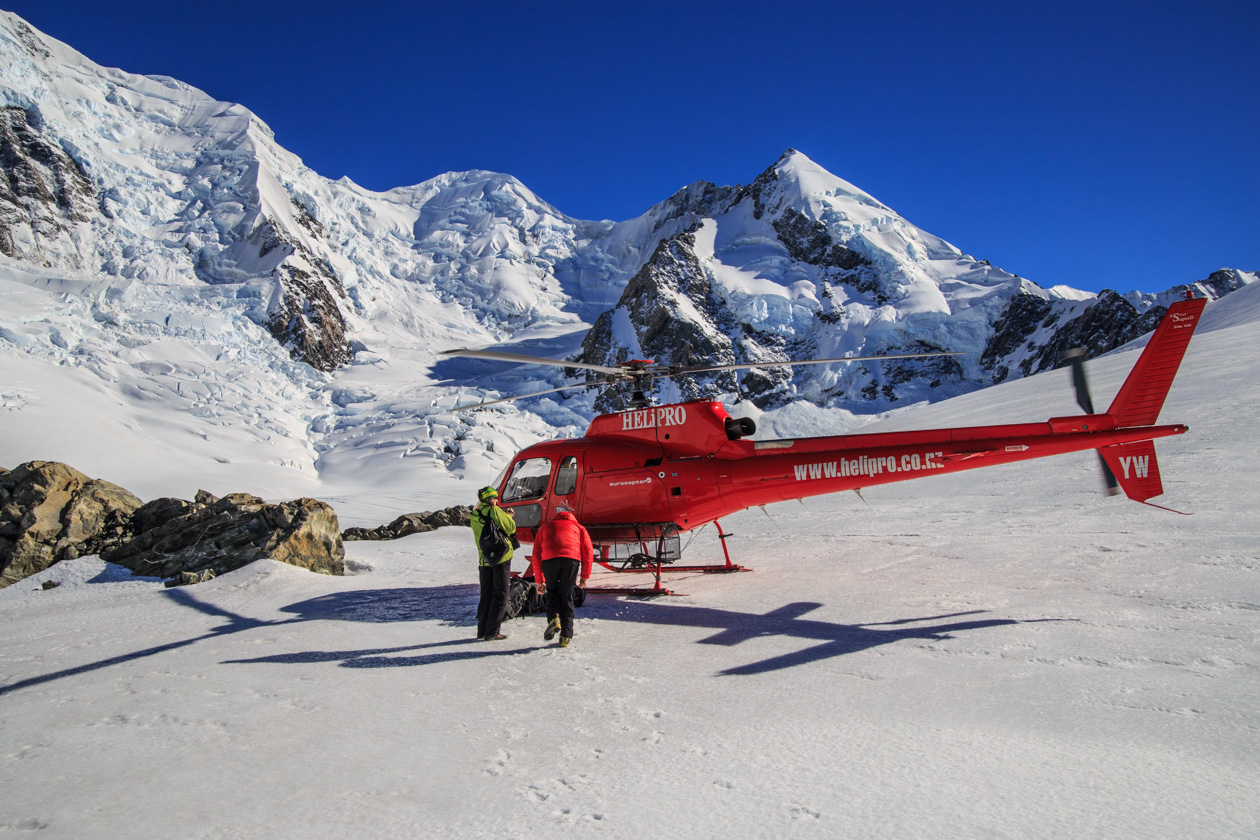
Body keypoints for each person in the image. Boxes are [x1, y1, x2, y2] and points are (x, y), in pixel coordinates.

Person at [529, 505, 593, 648]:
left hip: (549, 560)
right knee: (566, 594)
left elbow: (536, 554)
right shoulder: (579, 527)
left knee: (552, 591)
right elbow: (588, 550)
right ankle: (566, 635)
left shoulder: (545, 527)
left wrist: (539, 581)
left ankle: (553, 619)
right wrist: (584, 576)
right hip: (571, 560)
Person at [471, 486, 516, 641]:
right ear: (489, 498)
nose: (496, 500)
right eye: (495, 497)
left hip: (484, 560)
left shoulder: (474, 515)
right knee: (500, 594)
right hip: (500, 559)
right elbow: (510, 528)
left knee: (486, 595)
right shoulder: (494, 511)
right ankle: (493, 631)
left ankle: (482, 630)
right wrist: (509, 516)